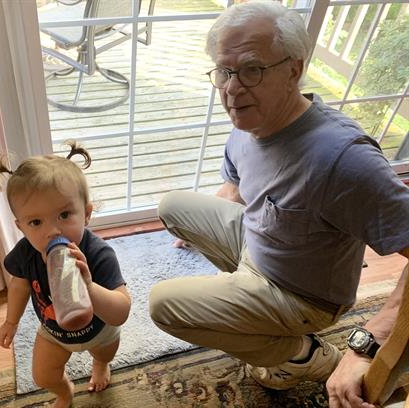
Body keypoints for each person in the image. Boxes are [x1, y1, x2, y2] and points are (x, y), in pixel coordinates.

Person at [148, 1, 409, 407]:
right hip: (259, 244)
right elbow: (235, 183)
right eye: (224, 71)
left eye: (252, 69)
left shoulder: (344, 159)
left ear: (293, 69)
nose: (232, 89)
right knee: (172, 206)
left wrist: (370, 342)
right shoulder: (250, 121)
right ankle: (248, 306)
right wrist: (210, 227)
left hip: (303, 295)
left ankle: (304, 356)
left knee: (163, 305)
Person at [0, 141, 131, 408]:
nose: (52, 231)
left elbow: (121, 312)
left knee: (105, 353)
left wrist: (89, 286)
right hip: (54, 332)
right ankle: (65, 392)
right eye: (36, 222)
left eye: (64, 215)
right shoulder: (26, 253)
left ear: (86, 214)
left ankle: (100, 364)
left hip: (99, 330)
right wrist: (11, 321)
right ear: (21, 227)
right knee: (42, 375)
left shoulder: (99, 254)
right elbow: (19, 285)